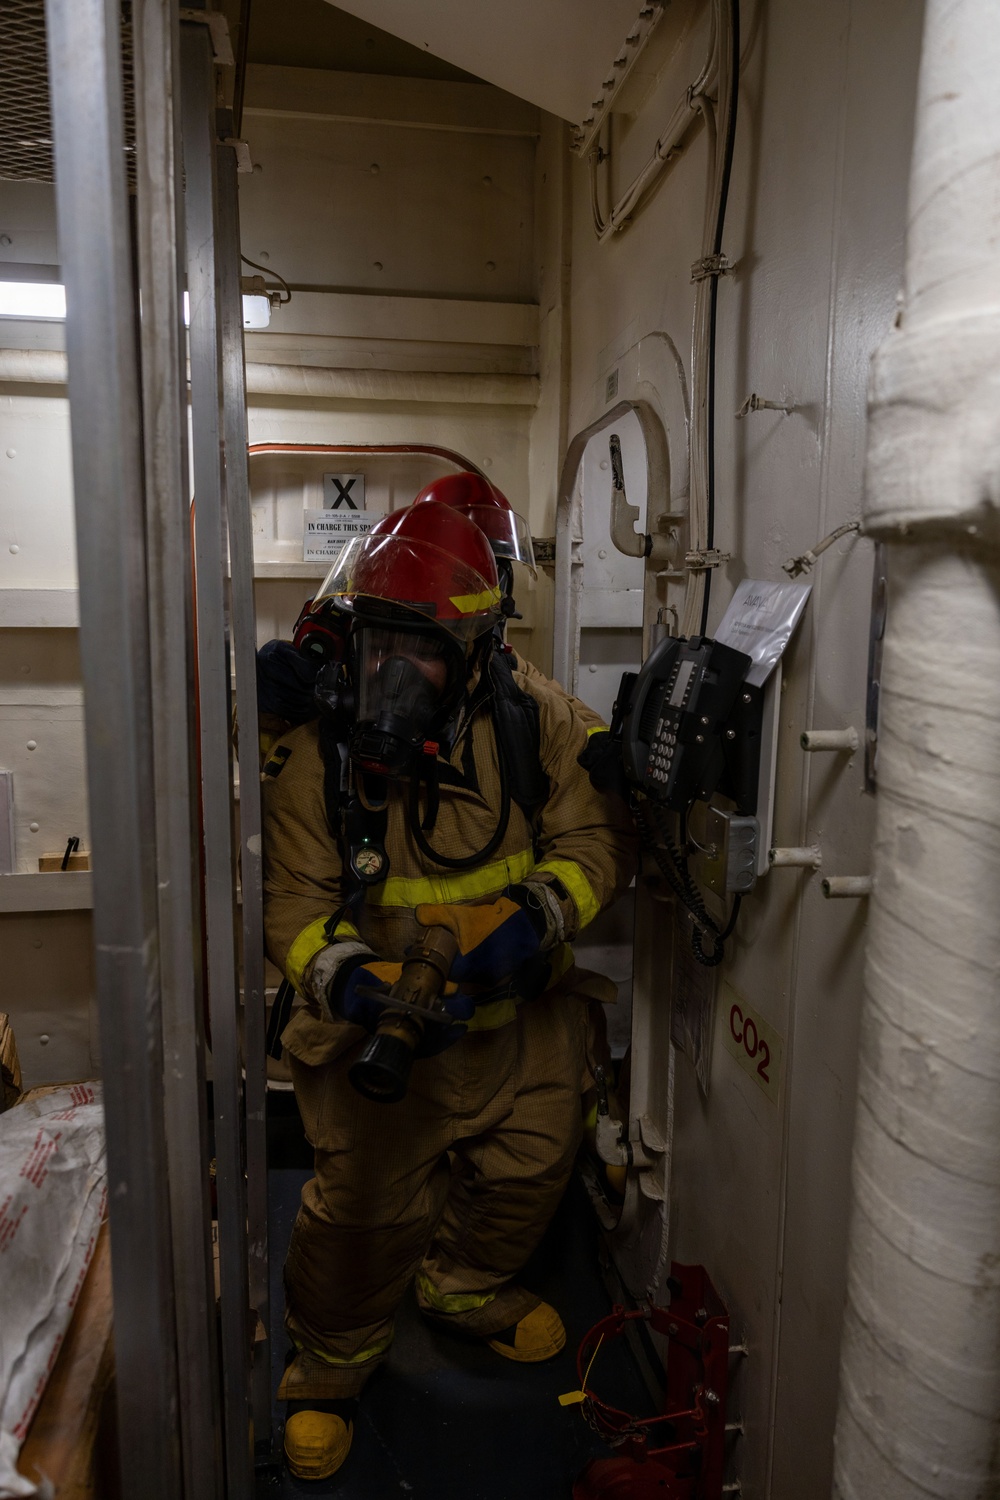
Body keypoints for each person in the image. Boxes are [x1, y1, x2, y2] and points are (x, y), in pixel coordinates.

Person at [262, 498, 637, 1479]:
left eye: (419, 648)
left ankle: (463, 1287)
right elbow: (294, 901)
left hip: (519, 1022)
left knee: (526, 1174)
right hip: (382, 1038)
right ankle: (329, 1370)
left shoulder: (538, 721)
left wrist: (541, 921)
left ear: (474, 651)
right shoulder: (316, 755)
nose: (391, 672)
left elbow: (594, 841)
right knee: (359, 1214)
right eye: (377, 641)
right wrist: (349, 988)